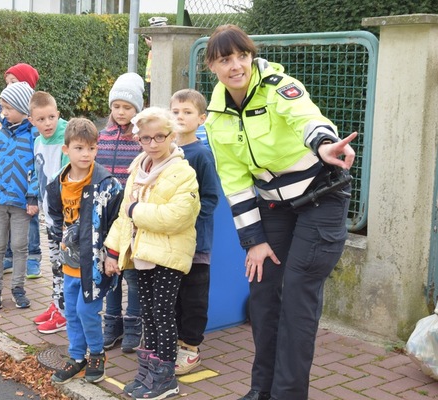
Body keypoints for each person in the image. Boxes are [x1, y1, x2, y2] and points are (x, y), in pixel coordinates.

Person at [203, 25, 357, 400]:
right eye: (226, 59)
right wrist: (253, 241)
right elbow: (236, 183)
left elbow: (305, 117)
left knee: (298, 294)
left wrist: (324, 144)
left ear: (251, 56)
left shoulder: (278, 86)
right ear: (212, 66)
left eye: (242, 56)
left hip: (320, 195)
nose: (236, 65)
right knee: (263, 291)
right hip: (274, 205)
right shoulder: (216, 119)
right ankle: (261, 391)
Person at [104, 107, 200, 399]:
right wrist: (113, 250)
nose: (153, 143)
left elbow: (178, 216)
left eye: (160, 136)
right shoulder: (138, 168)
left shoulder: (183, 171)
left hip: (168, 255)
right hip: (140, 253)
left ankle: (166, 377)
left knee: (163, 313)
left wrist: (137, 210)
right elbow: (122, 216)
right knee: (148, 313)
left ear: (172, 136)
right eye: (146, 138)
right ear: (139, 139)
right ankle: (148, 371)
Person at [47, 118, 123, 385]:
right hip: (70, 262)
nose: (86, 154)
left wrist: (112, 255)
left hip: (95, 265)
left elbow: (118, 222)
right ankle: (77, 357)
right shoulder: (58, 182)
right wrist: (59, 245)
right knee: (71, 311)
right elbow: (56, 216)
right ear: (66, 149)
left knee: (86, 311)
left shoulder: (107, 184)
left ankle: (97, 354)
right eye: (79, 148)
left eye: (91, 148)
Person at [169, 89, 220, 376]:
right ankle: (174, 341)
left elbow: (211, 198)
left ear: (201, 118)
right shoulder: (167, 151)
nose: (180, 117)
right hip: (171, 242)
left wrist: (189, 221)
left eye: (187, 112)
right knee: (173, 295)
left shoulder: (201, 154)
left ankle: (190, 348)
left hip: (196, 242)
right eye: (175, 111)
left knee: (194, 297)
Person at [0, 63, 43, 278]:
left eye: (14, 82)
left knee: (28, 228)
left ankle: (32, 258)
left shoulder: (35, 135)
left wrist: (33, 194)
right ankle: (6, 258)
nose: (4, 112)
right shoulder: (2, 131)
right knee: (2, 228)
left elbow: (38, 165)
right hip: (1, 192)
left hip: (25, 194)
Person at [98, 72, 145, 353]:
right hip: (106, 218)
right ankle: (112, 324)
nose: (121, 112)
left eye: (127, 108)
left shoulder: (142, 141)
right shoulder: (102, 137)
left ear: (137, 110)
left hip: (131, 219)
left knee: (132, 275)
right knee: (110, 272)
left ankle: (133, 326)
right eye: (116, 106)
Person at [28, 91, 69, 334]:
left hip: (65, 217)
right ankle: (56, 304)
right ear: (31, 120)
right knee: (54, 263)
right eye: (41, 119)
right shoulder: (37, 141)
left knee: (65, 264)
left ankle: (64, 313)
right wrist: (34, 198)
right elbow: (37, 173)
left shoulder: (66, 138)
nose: (47, 124)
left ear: (58, 114)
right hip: (49, 215)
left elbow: (66, 178)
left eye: (51, 117)